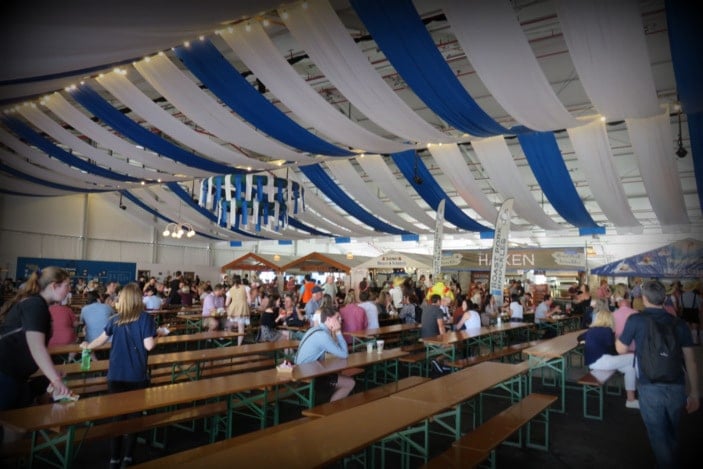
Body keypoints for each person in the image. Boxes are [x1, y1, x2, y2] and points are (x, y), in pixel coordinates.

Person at [616, 280, 699, 468]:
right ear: (664, 298)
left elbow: (621, 349)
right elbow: (691, 362)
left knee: (657, 435)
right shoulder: (679, 324)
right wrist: (694, 393)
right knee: (671, 431)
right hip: (677, 386)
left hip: (649, 386)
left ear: (644, 299)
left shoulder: (636, 319)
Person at [81, 283, 157, 469]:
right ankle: (128, 458)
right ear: (138, 299)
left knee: (117, 418)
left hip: (115, 374)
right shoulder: (146, 318)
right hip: (137, 375)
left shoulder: (115, 319)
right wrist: (158, 335)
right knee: (133, 420)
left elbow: (101, 339)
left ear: (122, 300)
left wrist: (87, 346)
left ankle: (114, 458)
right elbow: (149, 346)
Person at [0, 267, 73, 413]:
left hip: (15, 376)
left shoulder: (37, 304)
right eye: (67, 285)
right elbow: (36, 346)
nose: (69, 289)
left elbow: (29, 347)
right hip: (5, 376)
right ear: (54, 285)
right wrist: (56, 380)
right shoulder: (35, 305)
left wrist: (51, 372)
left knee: (15, 426)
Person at [579, 308, 638, 408]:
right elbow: (613, 351)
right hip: (602, 361)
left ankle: (630, 400)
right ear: (608, 319)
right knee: (633, 357)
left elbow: (579, 337)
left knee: (630, 368)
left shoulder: (591, 330)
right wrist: (623, 354)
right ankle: (647, 387)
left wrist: (588, 340)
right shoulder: (607, 330)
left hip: (594, 363)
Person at [294, 307, 354, 402]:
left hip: (302, 370)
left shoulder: (315, 330)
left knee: (336, 373)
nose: (340, 320)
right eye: (337, 318)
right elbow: (344, 354)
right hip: (308, 376)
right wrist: (338, 332)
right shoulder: (323, 336)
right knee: (350, 383)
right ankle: (330, 411)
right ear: (328, 319)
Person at [48, 296, 79, 362]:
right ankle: (69, 360)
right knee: (76, 340)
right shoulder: (67, 309)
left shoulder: (46, 310)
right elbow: (76, 324)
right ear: (60, 301)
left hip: (50, 342)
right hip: (68, 341)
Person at [225, 275, 250, 346]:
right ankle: (239, 346)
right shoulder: (245, 288)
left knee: (231, 325)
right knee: (241, 329)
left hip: (233, 309)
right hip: (242, 308)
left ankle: (229, 341)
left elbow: (226, 303)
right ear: (240, 280)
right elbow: (250, 300)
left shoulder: (231, 289)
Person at [680, 280, 701, 345]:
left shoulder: (681, 296)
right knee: (694, 328)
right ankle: (695, 341)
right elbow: (699, 305)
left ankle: (688, 341)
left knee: (687, 328)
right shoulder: (696, 296)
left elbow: (680, 305)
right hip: (694, 311)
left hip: (685, 311)